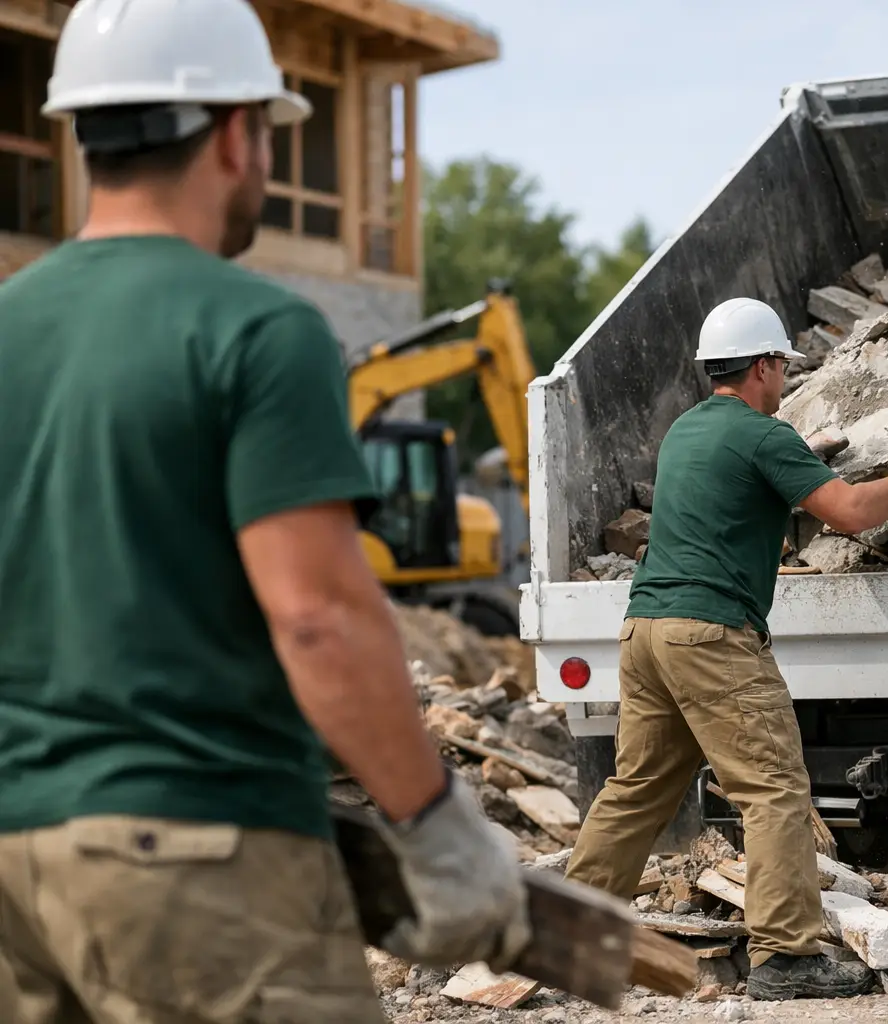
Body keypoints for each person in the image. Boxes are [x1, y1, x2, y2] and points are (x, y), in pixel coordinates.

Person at [0, 1, 528, 1020]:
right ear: (239, 132)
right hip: (196, 859)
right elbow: (319, 614)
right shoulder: (257, 329)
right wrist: (434, 823)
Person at [564, 297, 888, 1000]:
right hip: (712, 636)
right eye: (782, 365)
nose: (784, 379)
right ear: (762, 366)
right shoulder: (764, 436)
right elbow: (849, 513)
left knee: (634, 792)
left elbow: (731, 502)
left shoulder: (686, 433)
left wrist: (796, 476)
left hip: (646, 631)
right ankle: (787, 956)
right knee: (775, 791)